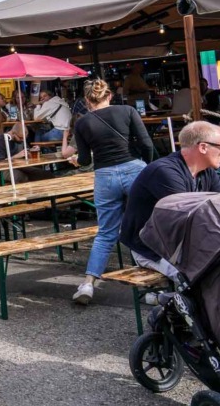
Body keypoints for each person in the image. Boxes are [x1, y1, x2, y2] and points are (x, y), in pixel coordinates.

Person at [62, 78, 153, 305]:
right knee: (145, 227)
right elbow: (147, 145)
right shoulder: (128, 111)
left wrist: (76, 160)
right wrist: (150, 169)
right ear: (109, 95)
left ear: (86, 100)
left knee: (105, 233)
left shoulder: (82, 123)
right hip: (134, 170)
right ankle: (152, 286)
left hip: (104, 176)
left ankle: (88, 284)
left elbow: (84, 160)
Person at [121, 122, 220, 283]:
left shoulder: (207, 171)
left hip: (181, 243)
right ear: (203, 147)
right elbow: (194, 220)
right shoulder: (164, 172)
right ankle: (177, 304)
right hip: (151, 248)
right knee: (201, 276)